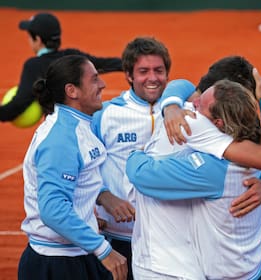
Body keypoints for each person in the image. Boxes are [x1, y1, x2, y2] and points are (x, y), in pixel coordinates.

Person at [126, 77, 261, 279]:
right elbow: (185, 86)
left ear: (217, 123)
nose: (192, 105)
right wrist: (171, 105)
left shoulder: (212, 170)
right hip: (257, 269)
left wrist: (136, 153)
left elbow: (142, 175)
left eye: (200, 107)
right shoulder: (255, 143)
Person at [17, 55, 127, 280]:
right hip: (57, 264)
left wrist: (87, 212)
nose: (103, 85)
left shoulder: (78, 126)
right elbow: (53, 209)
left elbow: (75, 185)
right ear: (72, 91)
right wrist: (103, 249)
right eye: (94, 80)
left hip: (75, 253)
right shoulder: (62, 139)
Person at [91, 36, 171, 280]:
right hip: (118, 236)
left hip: (169, 237)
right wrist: (99, 198)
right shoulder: (105, 114)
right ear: (128, 75)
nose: (152, 78)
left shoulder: (181, 110)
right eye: (143, 71)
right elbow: (82, 165)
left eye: (159, 70)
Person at [0, 12, 122, 123]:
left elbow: (18, 106)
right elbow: (105, 64)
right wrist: (132, 64)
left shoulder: (34, 65)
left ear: (37, 39)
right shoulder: (73, 55)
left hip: (60, 127)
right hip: (87, 122)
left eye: (30, 37)